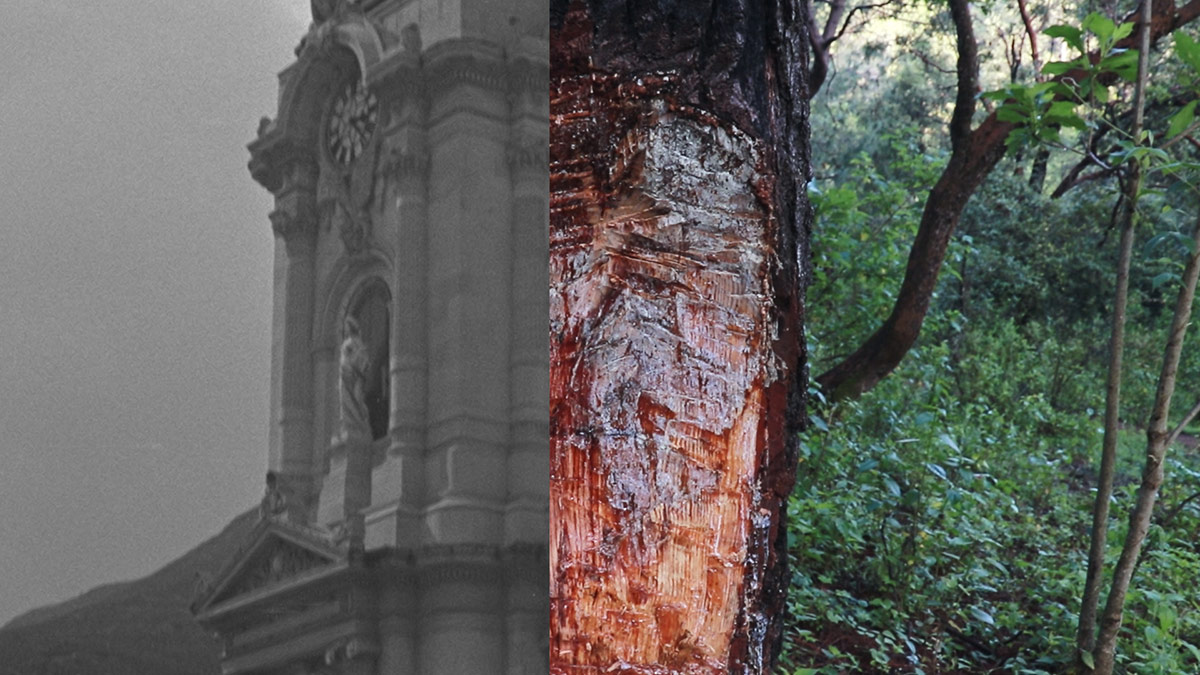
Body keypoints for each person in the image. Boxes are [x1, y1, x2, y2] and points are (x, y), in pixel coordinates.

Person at [338, 316, 372, 442]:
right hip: (344, 376)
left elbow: (363, 358)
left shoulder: (356, 342)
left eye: (347, 326)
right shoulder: (348, 342)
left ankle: (360, 426)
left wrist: (355, 363)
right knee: (346, 401)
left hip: (354, 375)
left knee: (357, 399)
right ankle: (349, 425)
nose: (345, 329)